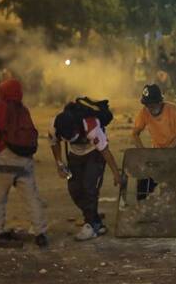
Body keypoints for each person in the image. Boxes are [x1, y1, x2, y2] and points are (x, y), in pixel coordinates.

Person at [0, 79, 48, 248]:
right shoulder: (23, 110)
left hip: (7, 155)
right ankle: (40, 233)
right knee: (31, 198)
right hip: (26, 158)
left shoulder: (0, 107)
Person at [49, 99, 122, 241]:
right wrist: (59, 163)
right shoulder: (54, 125)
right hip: (75, 156)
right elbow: (54, 143)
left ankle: (90, 224)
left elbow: (105, 151)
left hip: (94, 154)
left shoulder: (91, 126)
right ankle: (95, 221)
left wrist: (116, 173)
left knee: (90, 188)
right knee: (74, 189)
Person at [132, 84, 176, 230]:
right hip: (156, 153)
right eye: (147, 105)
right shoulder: (144, 112)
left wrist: (169, 151)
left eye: (151, 104)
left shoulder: (172, 109)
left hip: (175, 153)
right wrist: (142, 151)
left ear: (159, 102)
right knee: (144, 182)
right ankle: (143, 214)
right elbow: (135, 132)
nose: (149, 108)